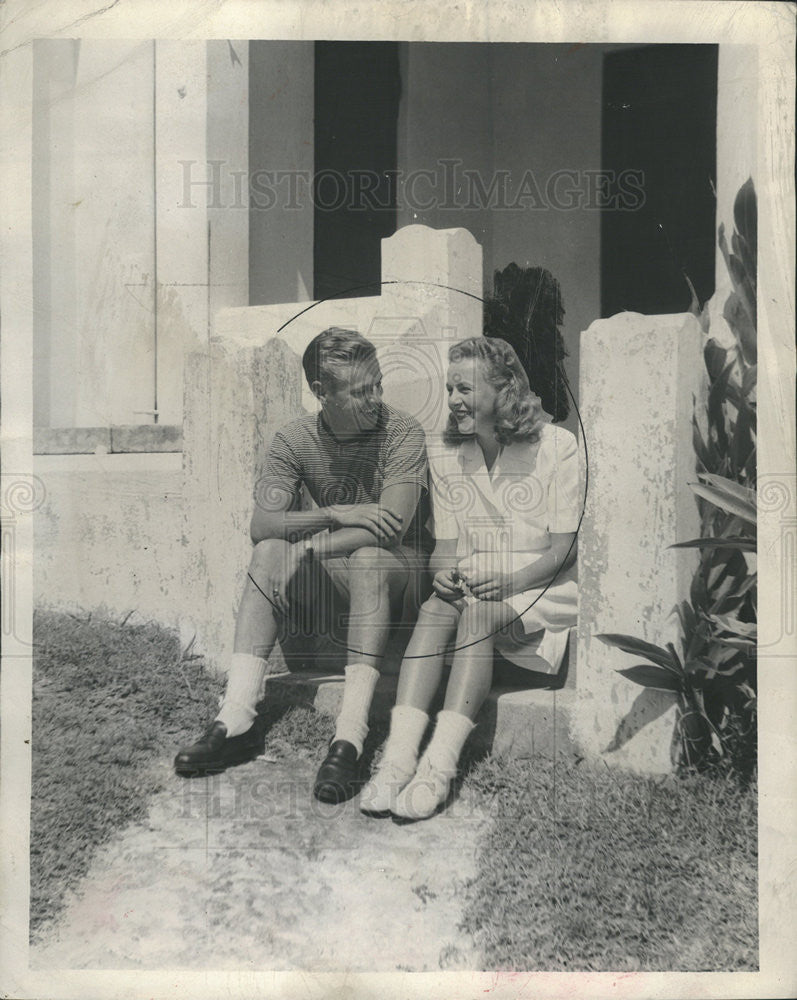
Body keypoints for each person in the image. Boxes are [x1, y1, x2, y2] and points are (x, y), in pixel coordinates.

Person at [174, 328, 432, 804]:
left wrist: (313, 547)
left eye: (378, 384)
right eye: (360, 391)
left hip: (402, 578)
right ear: (321, 393)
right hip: (341, 574)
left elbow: (391, 528)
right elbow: (262, 524)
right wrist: (333, 514)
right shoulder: (293, 438)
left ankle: (350, 735)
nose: (375, 398)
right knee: (268, 552)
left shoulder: (402, 431)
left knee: (370, 558)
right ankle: (237, 718)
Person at [359, 336, 579, 821]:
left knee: (477, 616)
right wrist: (444, 578)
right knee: (436, 607)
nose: (454, 400)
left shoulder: (557, 446)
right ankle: (397, 761)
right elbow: (447, 551)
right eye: (450, 388)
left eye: (465, 389)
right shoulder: (447, 452)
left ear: (504, 389)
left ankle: (438, 765)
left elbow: (565, 552)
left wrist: (510, 583)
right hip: (480, 577)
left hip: (541, 581)